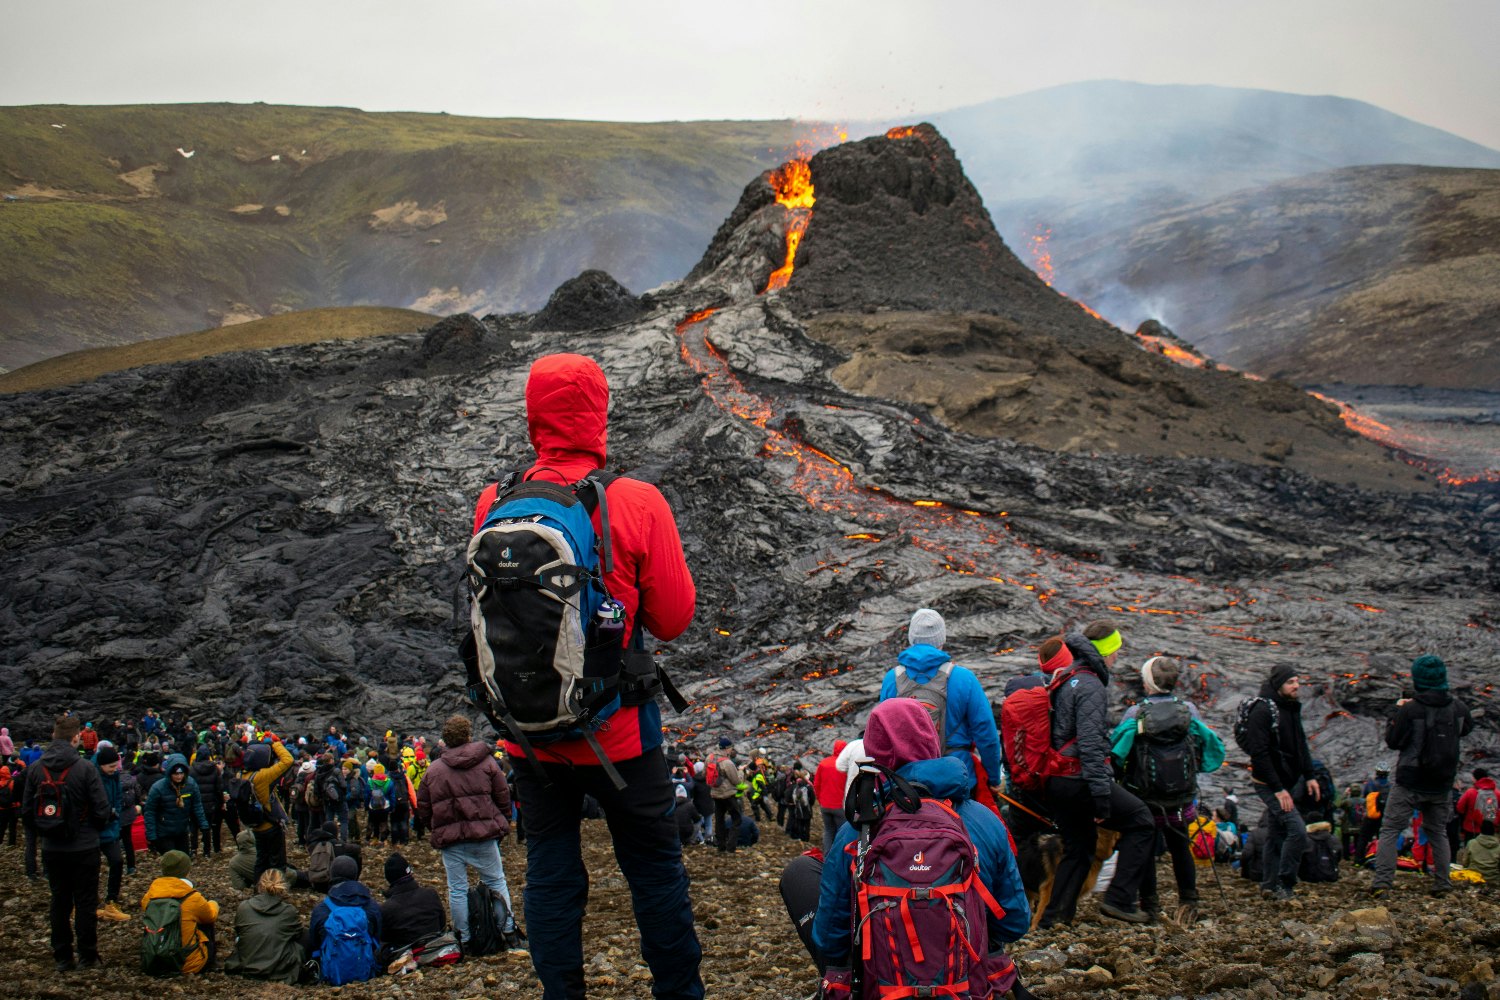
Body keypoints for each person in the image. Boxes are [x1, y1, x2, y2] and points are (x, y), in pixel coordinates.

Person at [471, 354, 701, 998]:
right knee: (654, 873)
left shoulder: (496, 501)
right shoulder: (634, 502)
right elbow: (675, 618)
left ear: (533, 417)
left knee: (550, 869)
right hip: (622, 736)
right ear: (598, 414)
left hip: (530, 735)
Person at [796, 699, 1030, 990]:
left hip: (883, 988)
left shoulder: (855, 831)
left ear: (874, 752)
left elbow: (830, 938)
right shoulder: (985, 820)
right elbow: (1015, 922)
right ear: (932, 740)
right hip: (967, 986)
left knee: (799, 872)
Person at [1036, 629, 1155, 927]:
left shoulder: (1066, 677)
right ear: (1104, 652)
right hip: (1079, 780)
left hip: (1058, 779)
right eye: (1115, 650)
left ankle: (1055, 919)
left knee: (1079, 846)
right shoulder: (1089, 684)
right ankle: (1119, 897)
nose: (1117, 657)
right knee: (1141, 820)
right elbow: (1090, 744)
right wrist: (1102, 794)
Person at [1109, 655, 1225, 922]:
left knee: (1146, 850)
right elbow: (1205, 745)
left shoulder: (1135, 714)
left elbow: (1117, 750)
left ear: (1147, 682)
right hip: (1181, 796)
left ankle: (1149, 904)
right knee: (1181, 845)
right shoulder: (1189, 711)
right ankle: (1189, 900)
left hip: (1145, 795)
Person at [879, 608, 1004, 811]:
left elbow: (881, 736)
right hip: (956, 780)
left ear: (911, 639)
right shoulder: (963, 677)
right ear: (941, 640)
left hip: (908, 782)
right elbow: (986, 734)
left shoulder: (891, 679)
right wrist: (993, 777)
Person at [1370, 655, 1474, 898]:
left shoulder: (1410, 709)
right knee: (1438, 831)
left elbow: (1393, 741)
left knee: (1390, 830)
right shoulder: (1458, 707)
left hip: (1410, 780)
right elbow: (1466, 728)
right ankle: (1442, 883)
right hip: (1442, 783)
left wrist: (1397, 711)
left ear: (1418, 679)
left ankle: (1383, 883)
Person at [416, 714, 521, 950]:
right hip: (484, 834)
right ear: (468, 735)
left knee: (457, 888)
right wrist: (502, 821)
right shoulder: (487, 763)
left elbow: (423, 805)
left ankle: (463, 938)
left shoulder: (434, 770)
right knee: (496, 881)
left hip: (452, 841)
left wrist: (433, 826)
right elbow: (503, 794)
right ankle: (508, 930)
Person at [21, 714, 112, 971]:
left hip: (52, 848)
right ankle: (87, 956)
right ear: (76, 738)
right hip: (84, 846)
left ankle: (62, 957)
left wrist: (47, 830)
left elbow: (27, 812)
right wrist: (91, 828)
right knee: (85, 902)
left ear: (52, 735)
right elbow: (101, 809)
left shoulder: (36, 769)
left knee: (59, 900)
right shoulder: (85, 769)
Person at [1239, 663, 1320, 901]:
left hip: (1288, 780)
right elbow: (1259, 754)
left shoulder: (1291, 707)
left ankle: (1269, 884)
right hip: (1268, 782)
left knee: (1276, 834)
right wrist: (1278, 790)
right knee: (1297, 831)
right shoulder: (1263, 711)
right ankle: (1285, 884)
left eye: (1297, 681)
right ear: (1278, 685)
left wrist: (1310, 775)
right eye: (1291, 682)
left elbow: (1300, 743)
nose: (1297, 686)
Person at [141, 850, 220, 974]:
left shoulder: (149, 896)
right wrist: (213, 903)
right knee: (205, 921)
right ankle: (210, 964)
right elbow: (210, 916)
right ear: (187, 871)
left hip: (154, 962)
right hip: (186, 964)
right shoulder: (192, 897)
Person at [224, 868, 307, 983]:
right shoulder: (289, 911)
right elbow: (298, 934)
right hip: (279, 970)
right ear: (283, 887)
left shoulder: (244, 907)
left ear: (260, 885)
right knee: (303, 937)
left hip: (248, 965)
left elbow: (239, 933)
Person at [307, 856, 380, 983]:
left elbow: (314, 944)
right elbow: (378, 938)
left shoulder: (321, 909)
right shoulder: (371, 907)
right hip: (365, 972)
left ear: (332, 875)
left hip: (331, 973)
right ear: (356, 875)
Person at [378, 851, 447, 967]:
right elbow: (442, 925)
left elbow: (385, 937)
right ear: (409, 872)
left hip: (406, 956)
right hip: (435, 948)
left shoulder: (387, 908)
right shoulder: (430, 894)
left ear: (389, 879)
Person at [248, 736, 295, 883]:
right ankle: (275, 889)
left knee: (261, 859)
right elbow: (288, 760)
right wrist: (275, 743)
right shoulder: (262, 777)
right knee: (277, 861)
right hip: (271, 825)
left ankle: (258, 889)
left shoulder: (243, 775)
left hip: (256, 825)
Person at [93, 745, 133, 923]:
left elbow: (117, 798)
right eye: (110, 767)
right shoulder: (91, 776)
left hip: (110, 828)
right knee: (90, 868)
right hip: (92, 830)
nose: (114, 769)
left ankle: (111, 902)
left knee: (117, 861)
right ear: (101, 765)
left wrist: (115, 820)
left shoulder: (115, 776)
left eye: (115, 766)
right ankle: (86, 904)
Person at [144, 753, 209, 855]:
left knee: (184, 860)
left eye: (181, 773)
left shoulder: (191, 785)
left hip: (182, 830)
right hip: (164, 832)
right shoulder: (158, 788)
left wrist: (203, 825)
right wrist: (151, 835)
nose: (179, 777)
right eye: (175, 774)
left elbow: (197, 806)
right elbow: (150, 811)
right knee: (172, 862)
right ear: (169, 773)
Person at [812, 739, 848, 853]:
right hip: (840, 806)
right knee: (841, 833)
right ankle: (837, 858)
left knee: (828, 831)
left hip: (825, 805)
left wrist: (820, 800)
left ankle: (827, 856)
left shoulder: (824, 763)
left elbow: (816, 784)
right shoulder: (846, 766)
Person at [710, 742, 745, 854]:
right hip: (728, 794)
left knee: (719, 819)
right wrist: (740, 772)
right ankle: (731, 847)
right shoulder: (727, 762)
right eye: (730, 748)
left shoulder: (709, 758)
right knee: (737, 819)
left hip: (715, 793)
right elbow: (736, 781)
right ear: (727, 748)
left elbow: (705, 774)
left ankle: (721, 846)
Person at [1455, 768, 1498, 844]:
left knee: (1471, 850)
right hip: (1490, 829)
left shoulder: (1470, 792)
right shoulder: (1496, 793)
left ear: (1475, 779)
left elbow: (1459, 808)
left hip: (1471, 828)